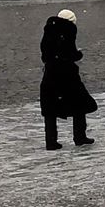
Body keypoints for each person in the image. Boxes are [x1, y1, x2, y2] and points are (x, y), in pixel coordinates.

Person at [39, 8, 96, 149]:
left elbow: (45, 53)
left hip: (50, 73)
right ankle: (79, 137)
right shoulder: (69, 30)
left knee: (50, 109)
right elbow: (69, 53)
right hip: (67, 75)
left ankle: (51, 141)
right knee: (80, 104)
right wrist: (79, 54)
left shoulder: (48, 30)